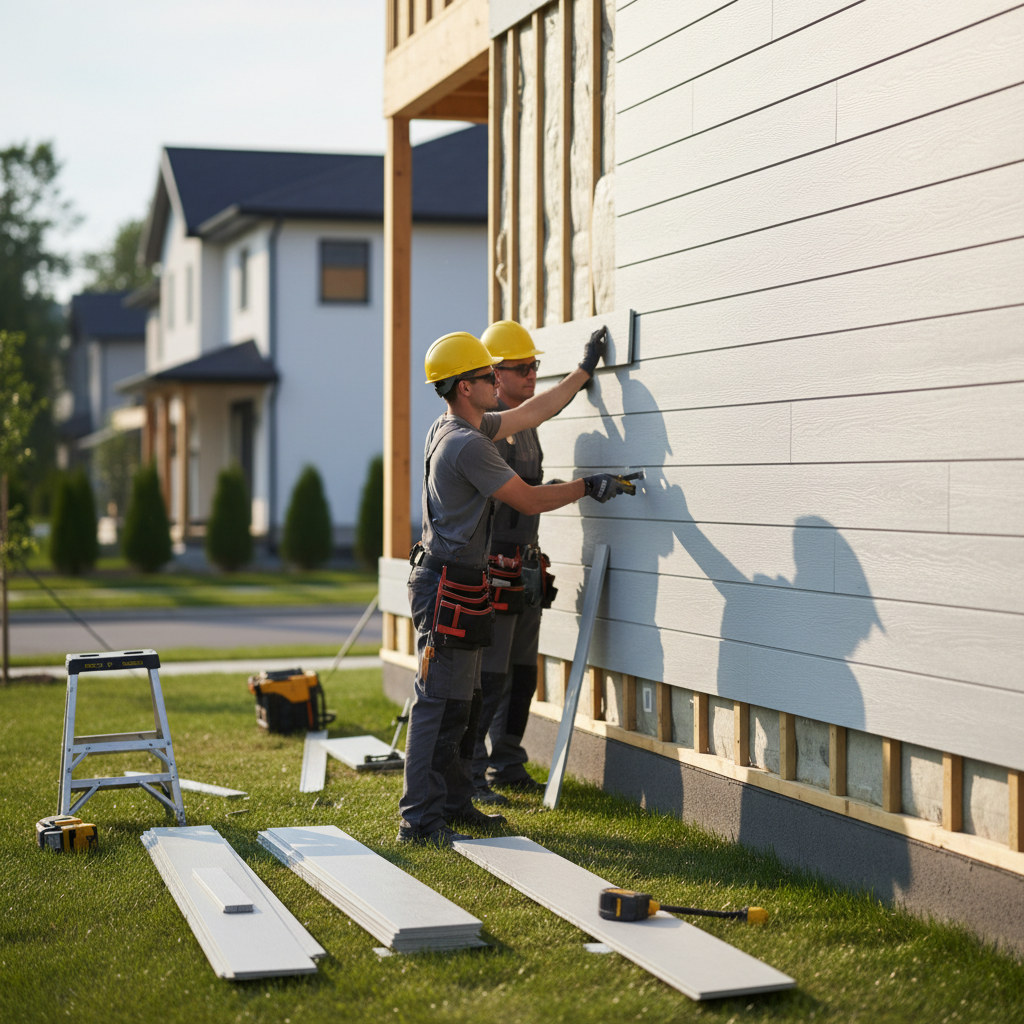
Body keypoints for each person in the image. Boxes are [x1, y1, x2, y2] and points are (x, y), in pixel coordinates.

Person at [398, 327, 629, 847]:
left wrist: (584, 371)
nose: (496, 382)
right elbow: (526, 500)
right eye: (486, 376)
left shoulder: (465, 427)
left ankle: (456, 804)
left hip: (461, 580)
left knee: (466, 702)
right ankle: (418, 818)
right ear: (465, 387)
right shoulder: (465, 444)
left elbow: (534, 412)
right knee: (438, 702)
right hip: (445, 585)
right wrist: (587, 488)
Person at [470, 321, 551, 802]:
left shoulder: (527, 424)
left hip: (524, 567)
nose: (531, 375)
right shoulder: (489, 429)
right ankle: (474, 773)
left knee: (523, 672)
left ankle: (508, 761)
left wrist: (583, 372)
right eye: (522, 368)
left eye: (534, 365)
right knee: (490, 676)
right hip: (493, 571)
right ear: (493, 375)